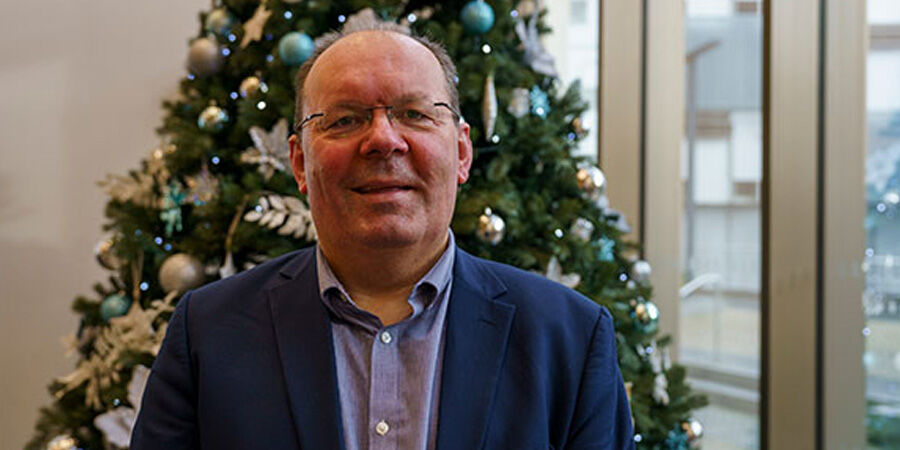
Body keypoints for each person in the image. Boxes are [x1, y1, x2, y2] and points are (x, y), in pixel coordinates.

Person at [131, 15, 634, 450]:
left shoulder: (569, 337)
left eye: (414, 114)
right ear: (300, 163)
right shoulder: (208, 333)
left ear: (461, 153)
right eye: (345, 119)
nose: (382, 140)